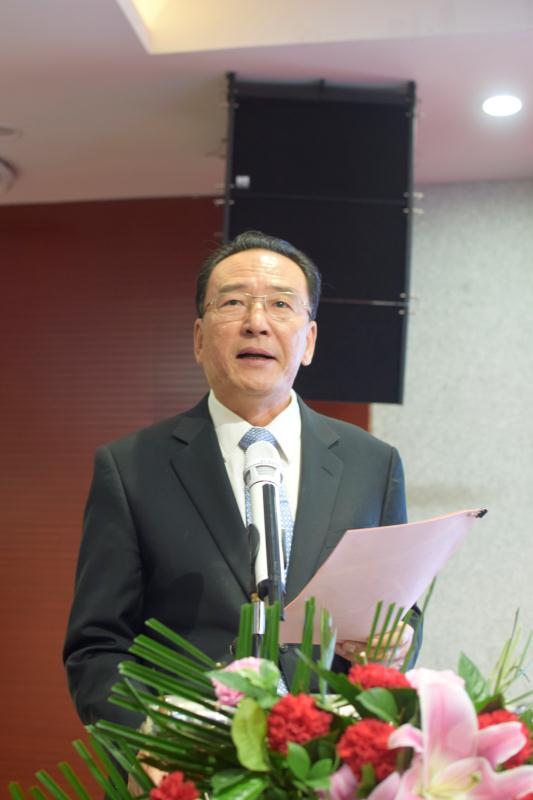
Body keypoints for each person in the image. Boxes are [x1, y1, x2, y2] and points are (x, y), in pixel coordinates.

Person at [63, 230, 420, 729]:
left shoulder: (373, 464)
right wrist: (152, 736)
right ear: (199, 338)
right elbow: (98, 646)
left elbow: (401, 610)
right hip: (187, 756)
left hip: (329, 754)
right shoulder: (130, 467)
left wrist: (397, 643)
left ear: (309, 341)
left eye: (280, 304)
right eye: (233, 303)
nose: (256, 322)